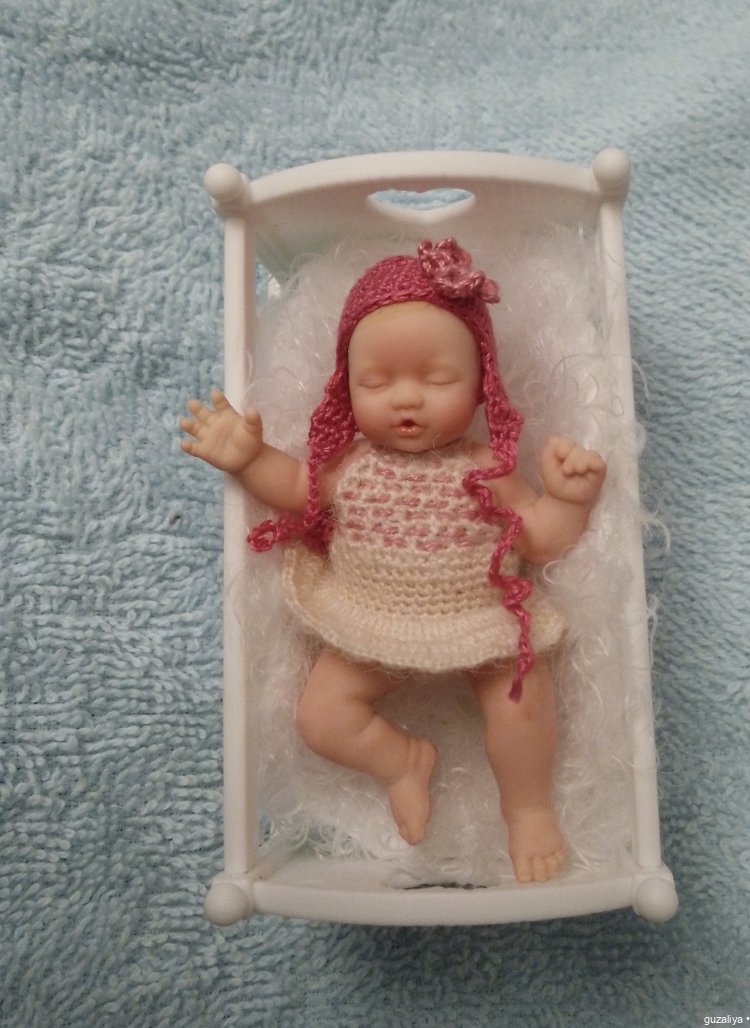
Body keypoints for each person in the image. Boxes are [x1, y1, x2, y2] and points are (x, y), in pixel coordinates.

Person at [180, 238, 606, 883]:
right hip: (368, 618)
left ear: (482, 385)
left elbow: (540, 539)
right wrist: (247, 457)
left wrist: (568, 499)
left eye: (438, 379)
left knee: (522, 701)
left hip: (479, 621)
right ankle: (401, 760)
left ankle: (528, 809)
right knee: (321, 719)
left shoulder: (487, 471)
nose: (406, 399)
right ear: (345, 386)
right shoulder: (349, 464)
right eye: (376, 382)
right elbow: (295, 488)